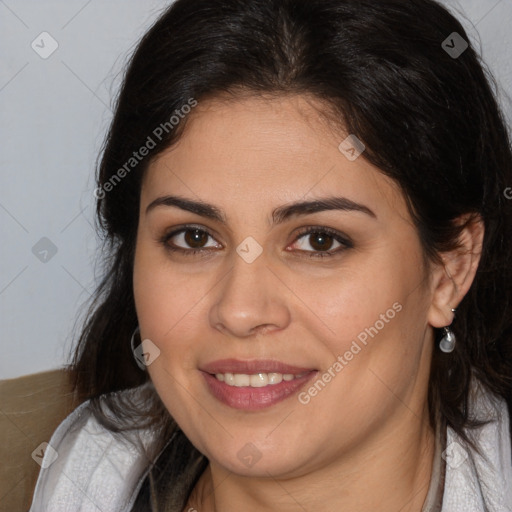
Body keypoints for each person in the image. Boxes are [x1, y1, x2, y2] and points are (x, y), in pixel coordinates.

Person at [29, 0, 512, 510]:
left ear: (450, 269)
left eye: (319, 241)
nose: (239, 311)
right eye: (194, 238)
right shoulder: (85, 472)